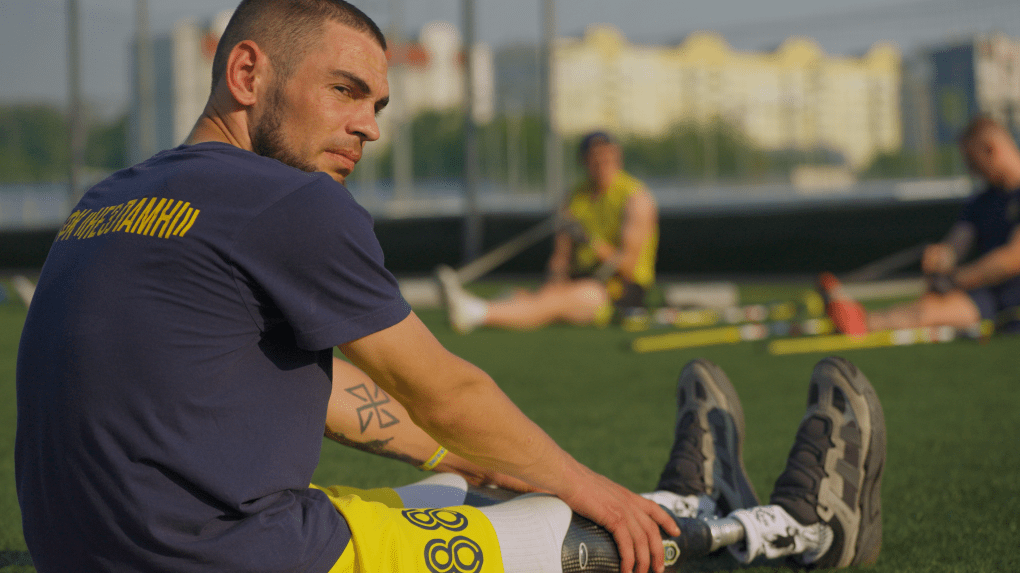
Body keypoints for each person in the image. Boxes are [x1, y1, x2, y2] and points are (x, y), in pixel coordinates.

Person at [14, 1, 882, 571]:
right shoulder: (290, 199)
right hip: (229, 552)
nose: (368, 126)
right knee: (560, 533)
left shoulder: (110, 200)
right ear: (247, 75)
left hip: (101, 552)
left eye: (379, 106)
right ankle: (802, 532)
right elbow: (445, 388)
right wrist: (587, 487)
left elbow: (288, 387)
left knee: (472, 488)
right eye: (346, 91)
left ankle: (685, 499)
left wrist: (473, 460)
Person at [437, 131, 659, 333]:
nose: (601, 162)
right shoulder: (574, 197)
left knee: (566, 298)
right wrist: (555, 279)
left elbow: (628, 266)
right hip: (580, 279)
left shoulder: (635, 198)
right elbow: (560, 257)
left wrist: (589, 241)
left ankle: (478, 312)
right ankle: (475, 310)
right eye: (595, 157)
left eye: (607, 156)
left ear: (618, 157)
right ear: (584, 161)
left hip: (619, 291)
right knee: (527, 295)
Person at [820, 115, 1020, 336]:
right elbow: (956, 244)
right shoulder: (981, 201)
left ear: (991, 149)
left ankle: (864, 322)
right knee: (932, 307)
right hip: (989, 297)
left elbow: (1013, 258)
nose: (971, 170)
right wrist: (941, 258)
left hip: (1010, 295)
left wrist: (958, 279)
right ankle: (861, 321)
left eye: (972, 161)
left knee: (936, 309)